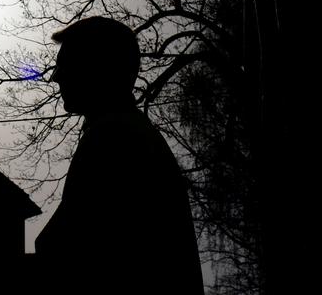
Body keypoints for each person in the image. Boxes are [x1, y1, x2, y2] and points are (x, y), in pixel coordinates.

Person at [35, 17, 204, 293]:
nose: (57, 76)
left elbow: (69, 248)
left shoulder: (111, 139)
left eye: (65, 66)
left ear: (94, 68)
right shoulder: (131, 133)